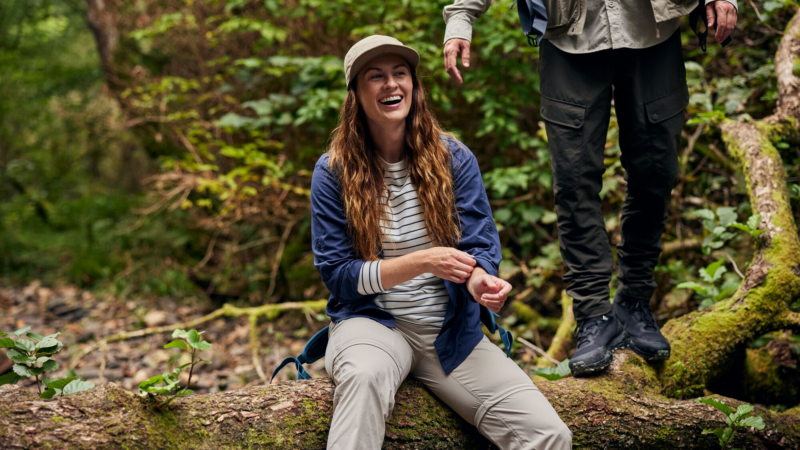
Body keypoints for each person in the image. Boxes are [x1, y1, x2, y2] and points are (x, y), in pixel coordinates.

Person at [441, 0, 737, 376]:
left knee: (656, 172)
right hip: (570, 39)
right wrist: (461, 19)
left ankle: (635, 303)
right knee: (574, 183)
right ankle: (594, 316)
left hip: (653, 31)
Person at [311, 35, 571, 450]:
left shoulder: (453, 157)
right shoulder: (333, 171)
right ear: (355, 94)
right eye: (375, 77)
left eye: (400, 74)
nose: (391, 85)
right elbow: (339, 276)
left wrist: (479, 281)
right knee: (364, 375)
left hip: (450, 333)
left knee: (548, 435)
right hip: (372, 325)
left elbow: (479, 247)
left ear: (415, 85)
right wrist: (422, 262)